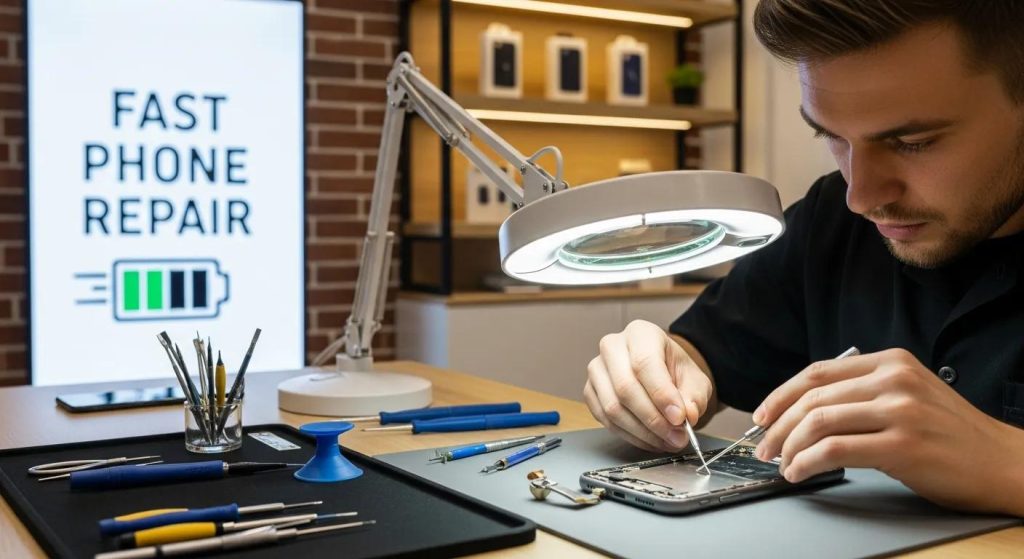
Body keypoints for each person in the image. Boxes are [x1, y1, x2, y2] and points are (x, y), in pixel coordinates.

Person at [583, 1, 1024, 516]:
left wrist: (1006, 462)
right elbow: (703, 353)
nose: (861, 196)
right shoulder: (831, 219)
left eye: (912, 143)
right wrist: (656, 375)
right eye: (831, 137)